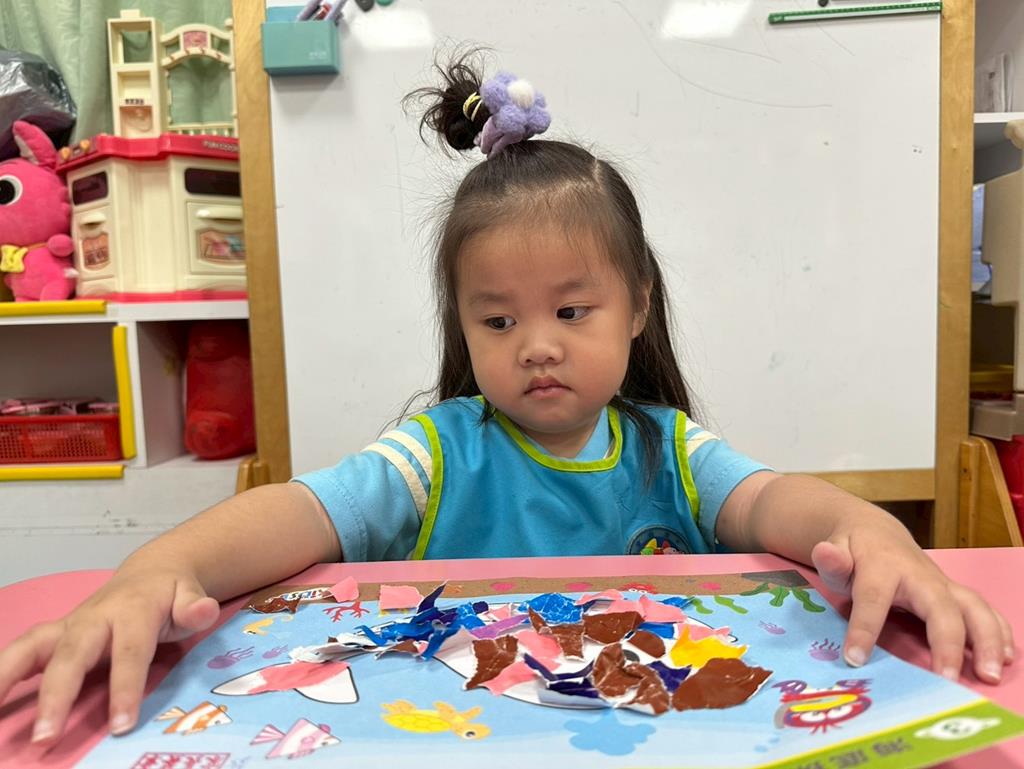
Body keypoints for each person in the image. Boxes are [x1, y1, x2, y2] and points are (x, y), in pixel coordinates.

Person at [1, 51, 1013, 748]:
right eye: (496, 320)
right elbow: (300, 511)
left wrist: (873, 532)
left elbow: (777, 502)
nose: (536, 344)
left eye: (572, 309)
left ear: (637, 304)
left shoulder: (667, 448)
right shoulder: (437, 453)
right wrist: (155, 571)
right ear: (462, 323)